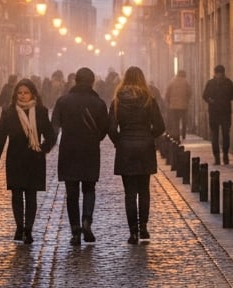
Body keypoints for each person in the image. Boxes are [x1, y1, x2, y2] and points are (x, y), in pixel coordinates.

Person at [0, 78, 56, 244]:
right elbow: (0, 139)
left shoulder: (40, 111)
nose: (23, 96)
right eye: (20, 93)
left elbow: (51, 136)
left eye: (26, 93)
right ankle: (19, 227)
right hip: (15, 159)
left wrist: (43, 149)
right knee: (17, 195)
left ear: (33, 93)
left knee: (31, 196)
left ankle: (29, 229)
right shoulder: (9, 112)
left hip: (34, 159)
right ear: (15, 94)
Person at [52, 66, 110, 245]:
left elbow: (54, 125)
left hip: (69, 149)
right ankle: (87, 221)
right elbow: (104, 128)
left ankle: (75, 230)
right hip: (90, 150)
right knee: (89, 189)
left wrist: (51, 143)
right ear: (92, 82)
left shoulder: (63, 101)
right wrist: (94, 138)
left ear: (75, 81)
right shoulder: (99, 103)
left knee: (71, 193)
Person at [109, 65, 165, 244]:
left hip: (126, 146)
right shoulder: (149, 99)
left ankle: (132, 231)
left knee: (130, 193)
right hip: (145, 147)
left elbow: (111, 127)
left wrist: (119, 141)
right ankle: (143, 227)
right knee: (144, 190)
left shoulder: (117, 100)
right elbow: (160, 126)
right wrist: (149, 136)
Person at [202, 64, 233, 164]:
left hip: (221, 112)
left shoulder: (223, 83)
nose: (219, 75)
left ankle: (225, 155)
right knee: (216, 136)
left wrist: (219, 101)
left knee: (224, 134)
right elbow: (205, 96)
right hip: (217, 112)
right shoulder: (214, 83)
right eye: (218, 73)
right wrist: (212, 100)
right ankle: (217, 157)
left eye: (220, 73)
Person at [164, 69, 192, 140]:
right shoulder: (186, 82)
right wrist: (187, 100)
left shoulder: (172, 82)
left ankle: (176, 136)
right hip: (184, 106)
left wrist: (169, 102)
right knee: (184, 120)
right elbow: (189, 92)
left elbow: (167, 93)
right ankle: (183, 134)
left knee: (175, 121)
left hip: (173, 106)